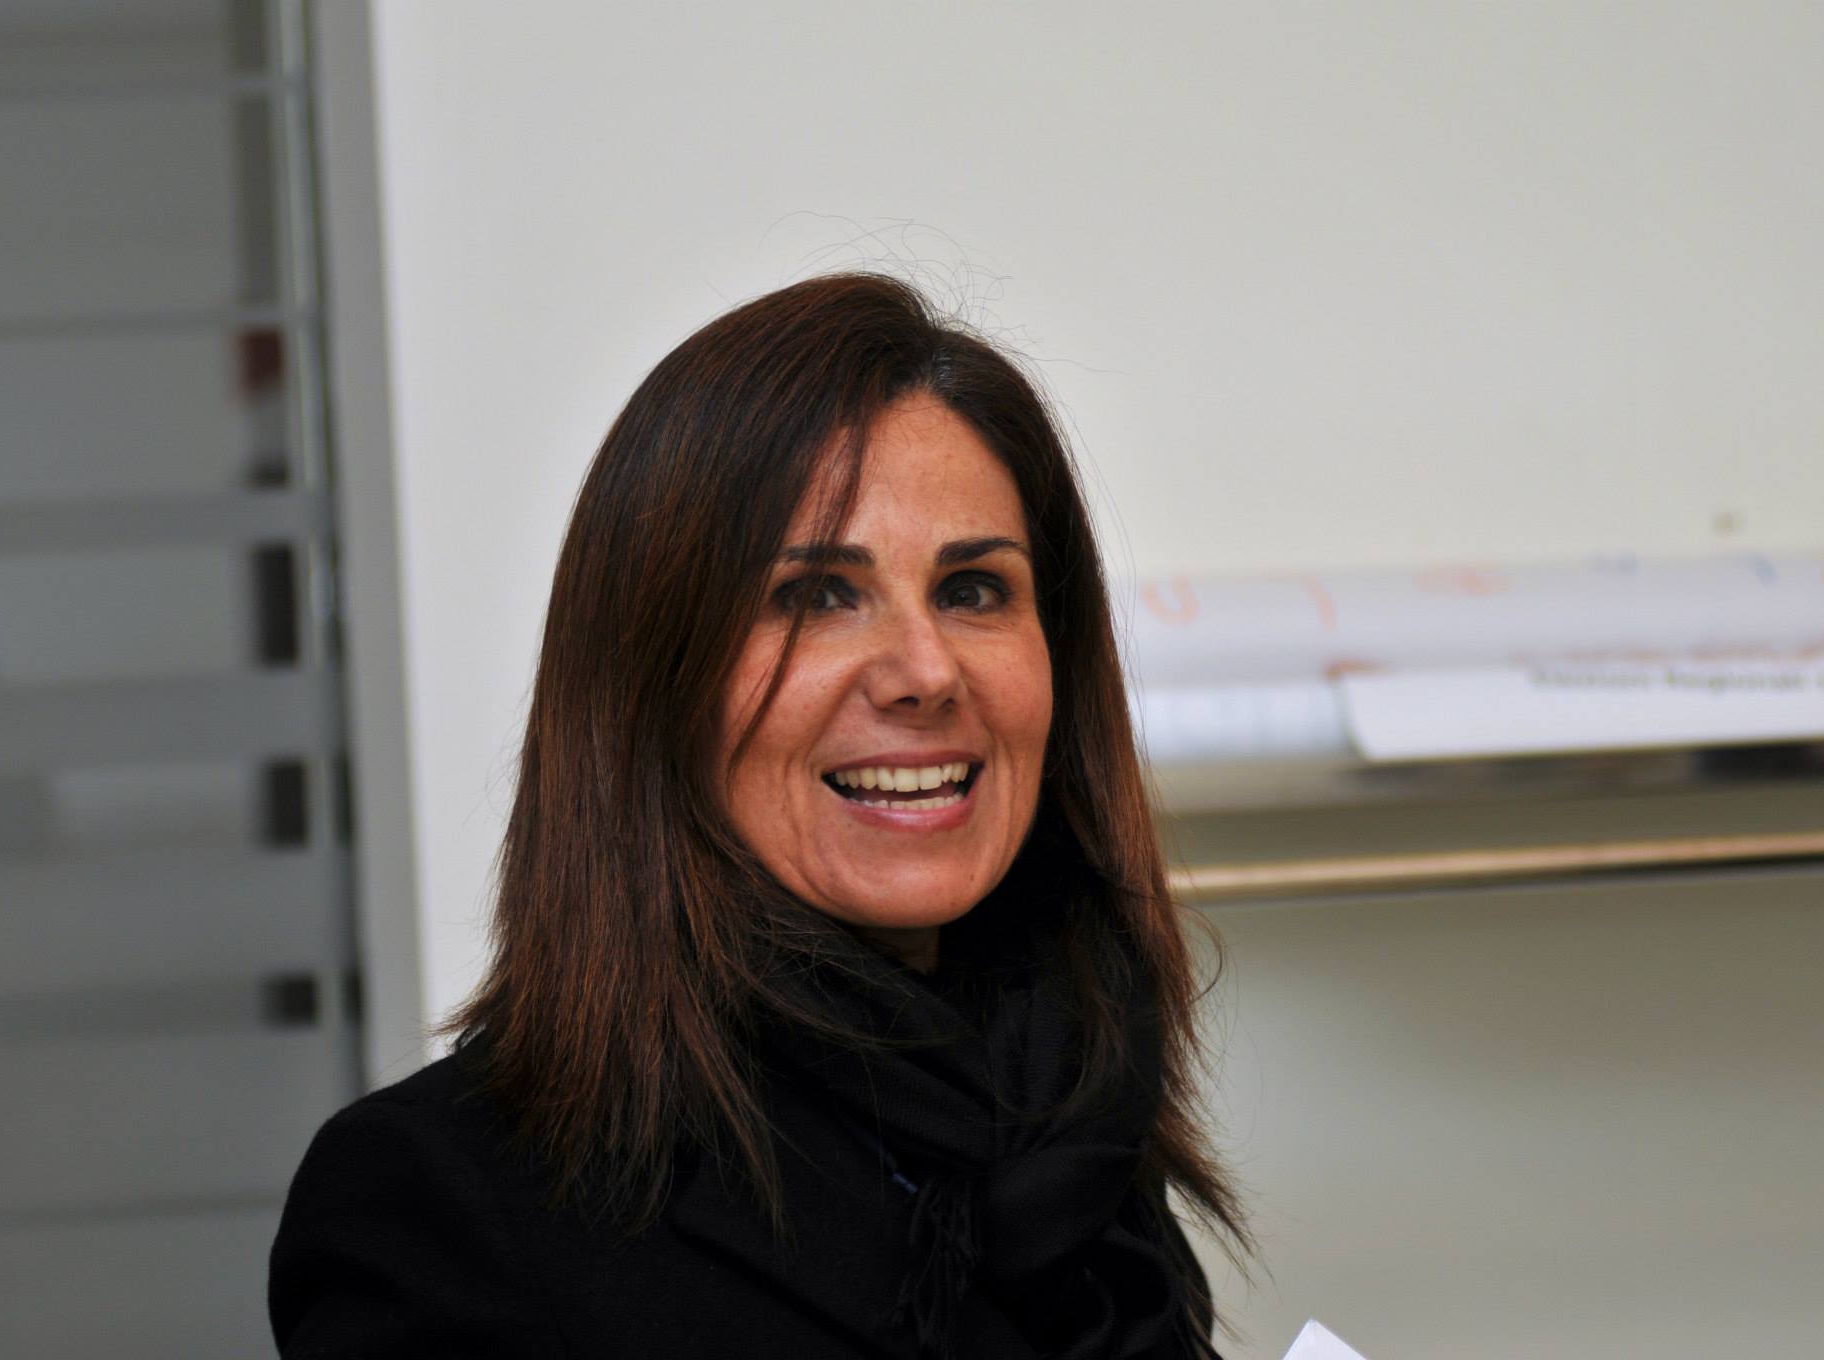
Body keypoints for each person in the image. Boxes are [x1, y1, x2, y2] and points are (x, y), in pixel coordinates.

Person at [268, 273, 1250, 1358]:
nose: (925, 672)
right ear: (654, 684)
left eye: (972, 589)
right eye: (816, 595)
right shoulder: (438, 1205)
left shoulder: (1073, 1133)